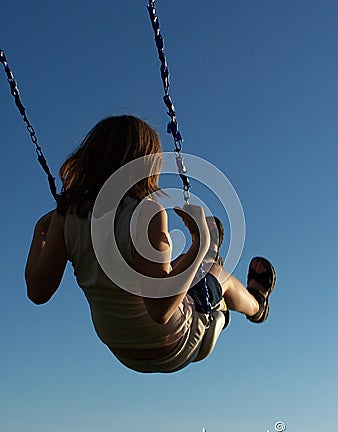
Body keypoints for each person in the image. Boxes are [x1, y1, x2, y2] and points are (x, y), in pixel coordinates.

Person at [25, 115, 276, 373]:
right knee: (218, 276)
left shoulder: (67, 215)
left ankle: (208, 258)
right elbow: (160, 310)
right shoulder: (145, 213)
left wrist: (41, 229)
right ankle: (256, 305)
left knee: (175, 269)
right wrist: (200, 241)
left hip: (122, 351)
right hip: (173, 345)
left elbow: (37, 292)